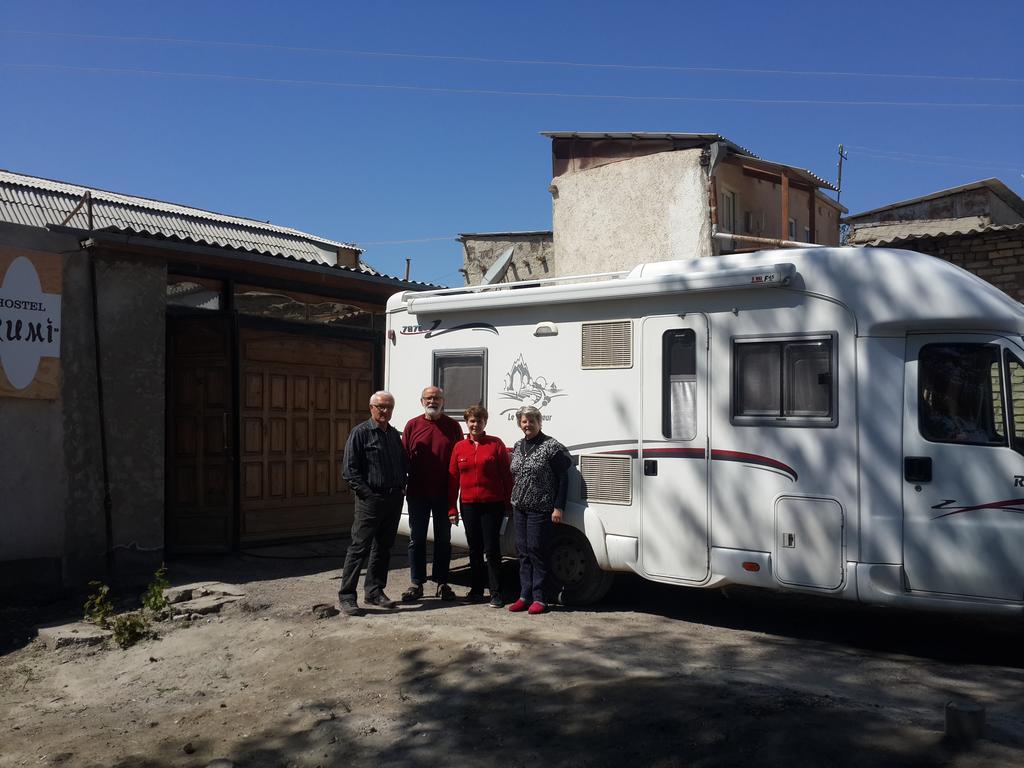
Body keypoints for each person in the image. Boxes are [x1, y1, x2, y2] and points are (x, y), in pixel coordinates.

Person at [337, 391, 407, 616]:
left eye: (389, 407)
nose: (385, 411)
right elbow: (349, 471)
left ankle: (375, 591)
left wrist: (401, 487)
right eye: (381, 407)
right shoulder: (360, 433)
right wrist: (368, 494)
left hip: (393, 498)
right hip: (370, 500)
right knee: (359, 548)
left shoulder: (394, 435)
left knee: (383, 548)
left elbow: (401, 463)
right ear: (371, 408)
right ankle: (347, 597)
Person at [401, 386, 465, 603]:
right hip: (417, 493)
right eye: (429, 398)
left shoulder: (453, 426)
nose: (433, 401)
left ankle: (442, 583)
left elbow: (459, 459)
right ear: (422, 401)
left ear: (443, 401)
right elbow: (404, 458)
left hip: (443, 494)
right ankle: (416, 583)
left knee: (443, 539)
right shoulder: (412, 425)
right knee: (416, 539)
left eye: (437, 398)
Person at [507, 405, 571, 615]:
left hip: (541, 508)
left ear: (539, 422)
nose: (527, 425)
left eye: (531, 421)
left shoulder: (550, 446)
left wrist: (558, 507)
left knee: (536, 550)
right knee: (522, 551)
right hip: (519, 507)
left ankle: (540, 598)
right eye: (524, 422)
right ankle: (524, 596)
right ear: (520, 424)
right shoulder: (518, 445)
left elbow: (563, 477)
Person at [448, 405, 513, 608]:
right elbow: (452, 480)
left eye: (479, 421)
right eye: (472, 421)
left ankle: (496, 592)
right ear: (467, 423)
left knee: (492, 549)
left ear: (485, 422)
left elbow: (506, 476)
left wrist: (508, 502)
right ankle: (476, 590)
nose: (475, 424)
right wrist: (452, 508)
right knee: (474, 549)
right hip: (468, 505)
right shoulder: (459, 447)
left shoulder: (495, 444)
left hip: (492, 504)